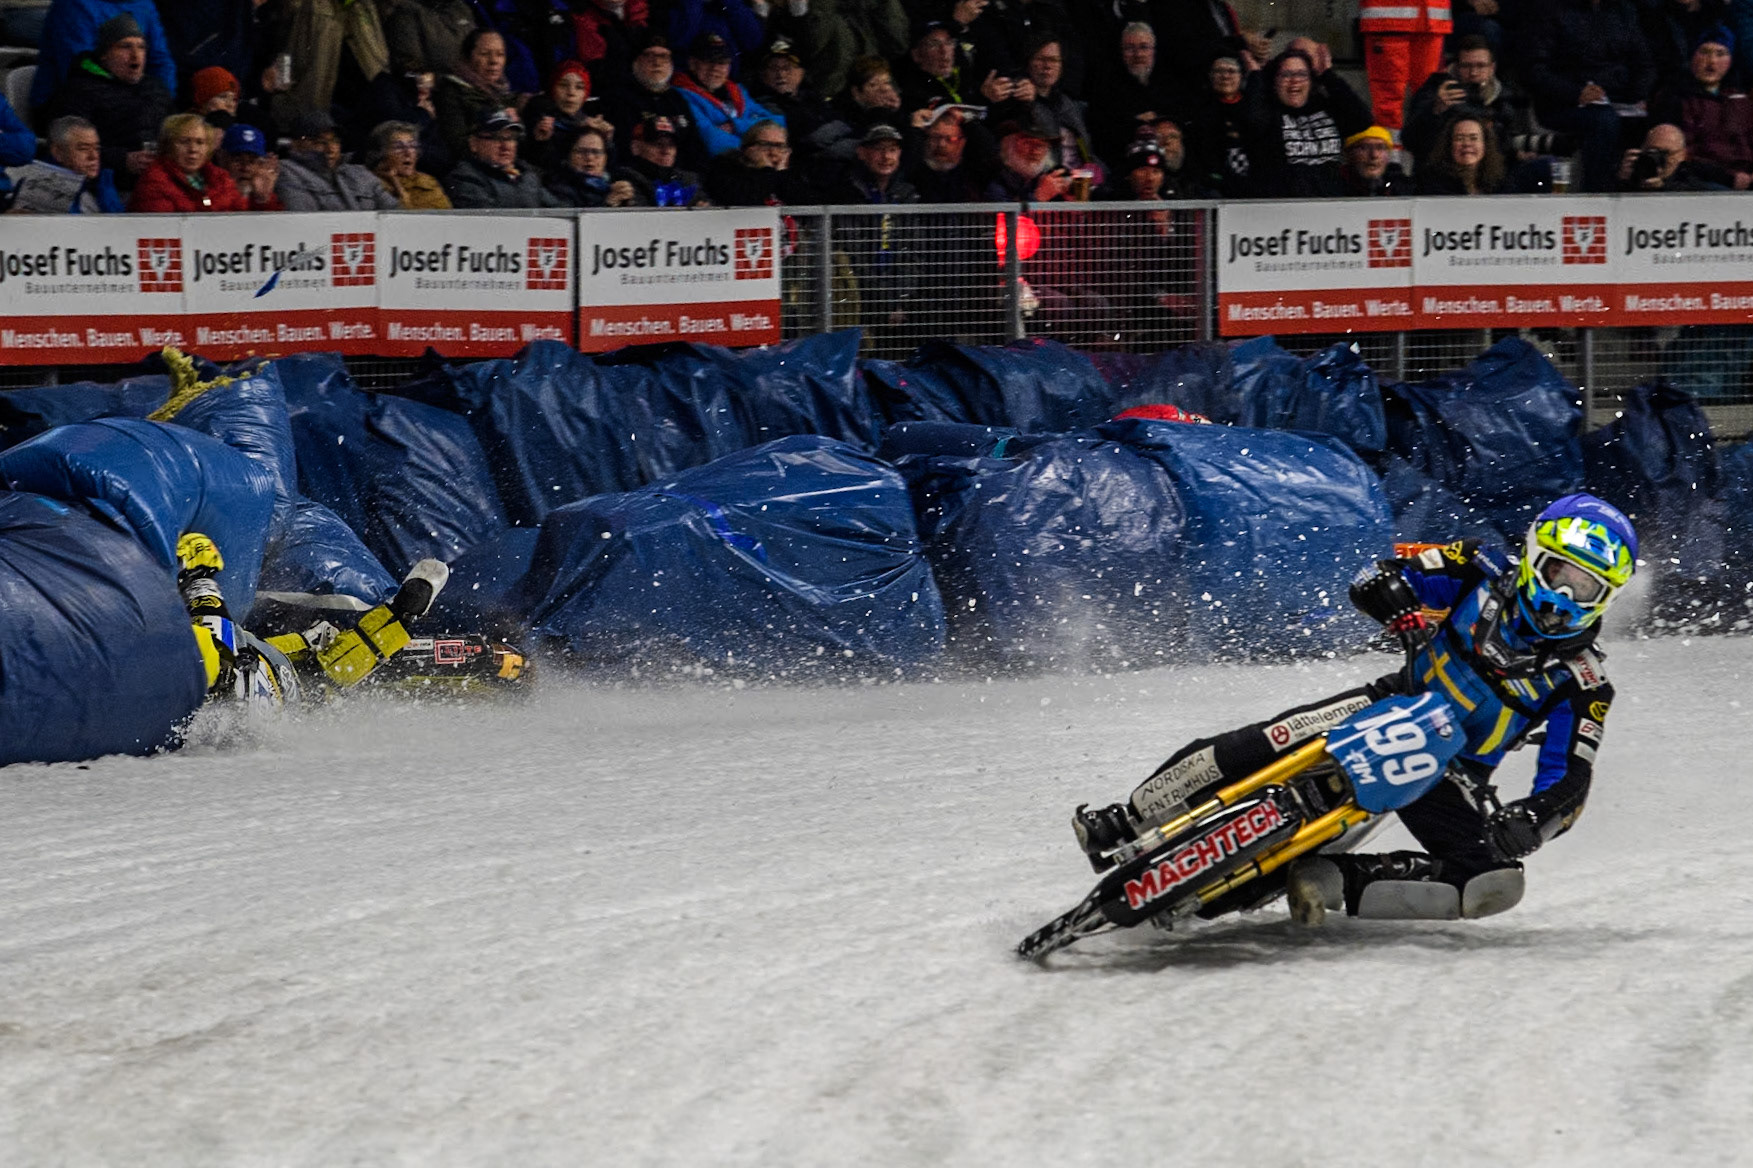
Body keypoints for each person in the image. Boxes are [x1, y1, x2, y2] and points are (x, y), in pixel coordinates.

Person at [1075, 495, 1641, 926]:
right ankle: (1128, 817)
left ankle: (1327, 879)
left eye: (1586, 589)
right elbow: (1380, 573)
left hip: (1449, 774)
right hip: (1391, 701)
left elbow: (1571, 780)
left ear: (1607, 598)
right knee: (1268, 739)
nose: (1565, 598)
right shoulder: (1478, 566)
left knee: (1495, 883)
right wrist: (1394, 600)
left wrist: (1532, 821)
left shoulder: (1585, 683)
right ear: (1535, 557)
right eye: (1560, 575)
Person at [177, 531, 453, 711]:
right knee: (324, 681)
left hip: (258, 673)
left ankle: (396, 617)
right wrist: (201, 577)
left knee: (319, 677)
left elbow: (215, 631)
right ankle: (398, 616)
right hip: (275, 691)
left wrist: (201, 578)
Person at [1523, 0, 1656, 193]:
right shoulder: (1548, 10)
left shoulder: (1623, 11)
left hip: (1618, 98)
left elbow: (1645, 63)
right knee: (1603, 121)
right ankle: (1596, 193)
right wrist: (1576, 93)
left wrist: (1638, 94)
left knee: (1657, 122)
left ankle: (1643, 190)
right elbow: (1533, 71)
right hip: (1564, 104)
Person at [45, 12, 173, 191]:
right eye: (125, 47)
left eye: (141, 47)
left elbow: (174, 131)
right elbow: (71, 148)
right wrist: (123, 160)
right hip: (109, 184)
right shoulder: (79, 91)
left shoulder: (155, 87)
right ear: (104, 54)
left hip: (161, 179)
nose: (135, 55)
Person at [1243, 43, 1373, 199]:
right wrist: (1256, 76)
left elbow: (1363, 119)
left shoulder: (1326, 108)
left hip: (1329, 205)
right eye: (1286, 75)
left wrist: (1327, 75)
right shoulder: (1268, 112)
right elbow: (1251, 123)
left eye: (1302, 74)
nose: (1294, 80)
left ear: (1311, 80)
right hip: (1281, 207)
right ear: (1274, 81)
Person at [1402, 37, 1540, 177]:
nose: (1473, 72)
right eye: (1466, 66)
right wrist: (1434, 110)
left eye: (1481, 66)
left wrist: (1518, 152)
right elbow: (1410, 140)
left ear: (1492, 68)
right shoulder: (1435, 90)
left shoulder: (1507, 98)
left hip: (1494, 176)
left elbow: (1514, 140)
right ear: (1456, 66)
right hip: (1441, 174)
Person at [1650, 27, 1753, 189]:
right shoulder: (1674, 97)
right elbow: (1679, 157)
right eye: (1704, 52)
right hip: (1701, 181)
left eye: (1720, 54)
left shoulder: (1740, 99)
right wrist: (1728, 178)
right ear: (1692, 56)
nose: (1712, 61)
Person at [31, 0, 176, 113]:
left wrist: (162, 102)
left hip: (132, 101)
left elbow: (160, 61)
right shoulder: (73, 5)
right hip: (70, 107)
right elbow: (80, 66)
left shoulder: (144, 4)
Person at [1086, 21, 1178, 173]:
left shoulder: (1168, 84)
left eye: (1144, 47)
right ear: (1121, 52)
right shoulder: (1105, 87)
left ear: (1153, 51)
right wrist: (1136, 124)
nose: (1138, 55)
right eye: (1130, 48)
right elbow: (1101, 132)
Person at [672, 32, 781, 160]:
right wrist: (758, 148)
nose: (715, 68)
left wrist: (736, 126)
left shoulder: (737, 91)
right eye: (708, 61)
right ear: (692, 63)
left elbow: (778, 123)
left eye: (722, 62)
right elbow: (711, 139)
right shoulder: (679, 94)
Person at [276, 109, 401, 210]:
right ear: (296, 145)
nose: (330, 149)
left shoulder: (360, 173)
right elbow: (305, 221)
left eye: (334, 141)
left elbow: (395, 215)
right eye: (320, 142)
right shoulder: (287, 172)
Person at [444, 107, 568, 207]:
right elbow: (487, 221)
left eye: (510, 138)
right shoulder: (464, 177)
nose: (506, 146)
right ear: (473, 144)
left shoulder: (526, 176)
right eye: (496, 138)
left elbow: (559, 209)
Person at [128, 111, 252, 211]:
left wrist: (260, 200)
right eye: (184, 142)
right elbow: (162, 227)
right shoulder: (154, 182)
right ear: (168, 145)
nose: (193, 149)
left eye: (200, 142)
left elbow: (245, 220)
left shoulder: (221, 178)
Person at [1357, 0, 1450, 129]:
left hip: (1430, 20)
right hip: (1389, 19)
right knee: (1389, 103)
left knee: (1430, 99)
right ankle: (1390, 142)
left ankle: (1422, 141)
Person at [6, 114, 125, 213]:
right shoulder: (36, 186)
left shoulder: (104, 182)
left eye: (97, 149)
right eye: (83, 149)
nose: (93, 156)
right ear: (58, 153)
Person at [435, 28, 522, 161]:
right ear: (467, 57)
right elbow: (457, 145)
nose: (494, 61)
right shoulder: (452, 92)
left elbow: (521, 146)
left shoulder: (505, 95)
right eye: (484, 54)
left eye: (500, 54)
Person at [522, 59, 616, 171]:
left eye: (579, 87)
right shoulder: (538, 118)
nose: (571, 93)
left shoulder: (590, 122)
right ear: (553, 89)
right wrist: (541, 142)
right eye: (563, 85)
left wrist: (606, 142)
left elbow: (608, 169)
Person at [704, 119, 813, 206]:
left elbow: (806, 205)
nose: (773, 152)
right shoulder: (725, 166)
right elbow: (745, 201)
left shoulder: (792, 171)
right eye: (765, 145)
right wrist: (766, 169)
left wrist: (782, 174)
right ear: (748, 148)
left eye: (780, 146)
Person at [611, 112, 706, 205]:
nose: (666, 150)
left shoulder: (688, 180)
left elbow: (706, 207)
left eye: (671, 145)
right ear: (636, 147)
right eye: (658, 144)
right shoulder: (627, 178)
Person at [1616, 121, 1732, 189]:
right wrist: (1622, 180)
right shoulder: (1626, 170)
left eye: (1667, 153)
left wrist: (1662, 188)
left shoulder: (1691, 176)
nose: (1659, 157)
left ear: (1682, 155)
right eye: (1653, 151)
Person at [905, 106, 985, 202]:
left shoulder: (972, 173)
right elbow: (909, 165)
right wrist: (916, 130)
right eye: (935, 137)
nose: (941, 144)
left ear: (962, 142)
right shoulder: (914, 173)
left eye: (950, 139)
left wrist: (969, 121)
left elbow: (989, 154)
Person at [1418, 113, 1511, 193]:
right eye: (1459, 138)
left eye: (1473, 138)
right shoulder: (1430, 184)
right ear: (1449, 145)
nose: (1466, 144)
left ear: (1485, 144)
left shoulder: (1501, 183)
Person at [370, 119, 452, 209]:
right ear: (381, 153)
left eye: (412, 146)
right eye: (398, 147)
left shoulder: (428, 182)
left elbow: (447, 214)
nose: (408, 152)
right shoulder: (371, 183)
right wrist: (397, 185)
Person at [544, 126, 637, 206]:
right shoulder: (559, 189)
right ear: (568, 156)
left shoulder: (618, 181)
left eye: (596, 152)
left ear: (605, 158)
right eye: (581, 152)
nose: (589, 157)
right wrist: (606, 205)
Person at [213, 122, 285, 210]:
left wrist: (262, 200)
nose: (245, 168)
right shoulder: (210, 193)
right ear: (222, 159)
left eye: (252, 161)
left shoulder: (266, 199)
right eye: (237, 160)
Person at [1339, 124, 1412, 195]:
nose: (1374, 155)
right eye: (1364, 148)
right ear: (1348, 153)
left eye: (1380, 148)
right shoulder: (1335, 189)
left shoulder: (1405, 189)